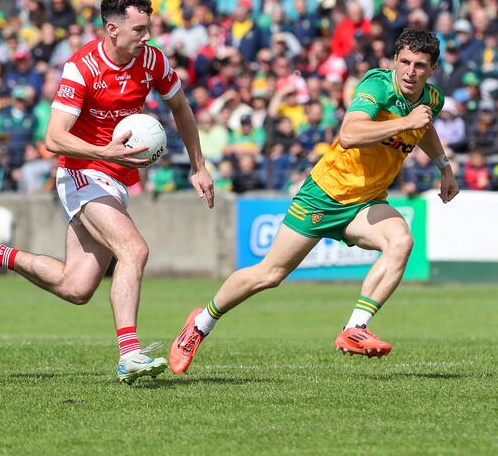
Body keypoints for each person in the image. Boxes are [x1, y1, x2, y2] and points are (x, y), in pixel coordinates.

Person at [0, 0, 215, 383]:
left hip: (117, 175)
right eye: (138, 29)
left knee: (75, 287)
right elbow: (54, 138)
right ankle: (130, 354)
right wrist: (105, 151)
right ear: (112, 28)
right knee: (134, 250)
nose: (146, 36)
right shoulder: (82, 68)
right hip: (82, 171)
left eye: (148, 28)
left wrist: (198, 165)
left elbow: (181, 108)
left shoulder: (153, 59)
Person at [170, 29, 459, 374]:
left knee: (401, 242)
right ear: (395, 61)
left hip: (366, 202)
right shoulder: (378, 85)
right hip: (324, 194)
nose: (410, 71)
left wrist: (444, 167)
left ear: (432, 69)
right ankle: (200, 324)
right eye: (405, 62)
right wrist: (406, 121)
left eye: (420, 65)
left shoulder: (432, 99)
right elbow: (349, 135)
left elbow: (423, 126)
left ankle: (355, 328)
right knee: (269, 274)